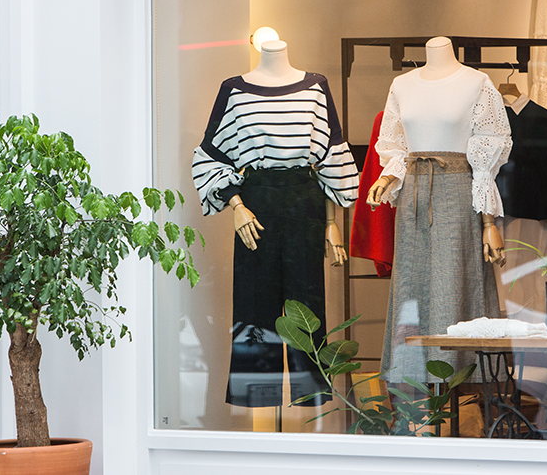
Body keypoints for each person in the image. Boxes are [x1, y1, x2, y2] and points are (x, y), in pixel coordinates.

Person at [192, 40, 359, 406]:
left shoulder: (315, 87)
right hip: (256, 200)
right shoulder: (233, 90)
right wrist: (236, 204)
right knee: (254, 302)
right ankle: (257, 393)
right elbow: (210, 156)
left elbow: (330, 155)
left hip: (304, 198)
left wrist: (332, 222)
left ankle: (310, 395)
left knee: (306, 303)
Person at [367, 36, 512, 383]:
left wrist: (488, 223)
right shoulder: (402, 85)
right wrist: (387, 177)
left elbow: (487, 153)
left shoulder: (477, 83)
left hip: (459, 192)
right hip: (413, 196)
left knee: (455, 283)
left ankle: (460, 378)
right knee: (410, 286)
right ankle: (410, 378)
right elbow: (396, 146)